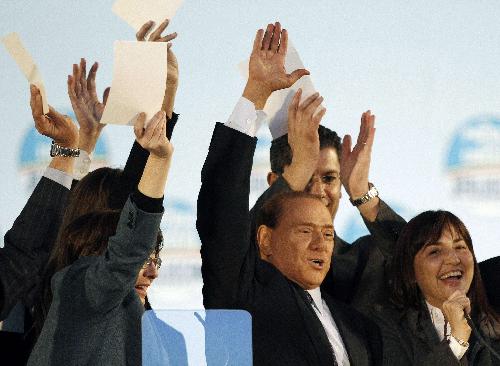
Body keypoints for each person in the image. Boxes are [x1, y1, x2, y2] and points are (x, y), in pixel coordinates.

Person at [198, 22, 382, 365]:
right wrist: (255, 93)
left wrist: (364, 196)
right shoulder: (244, 289)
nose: (317, 194)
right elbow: (222, 212)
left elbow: (424, 259)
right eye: (304, 178)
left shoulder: (359, 317)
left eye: (329, 178)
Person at [27, 108, 173, 365]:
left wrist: (166, 96)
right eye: (143, 258)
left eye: (155, 258)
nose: (153, 271)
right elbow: (129, 242)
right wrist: (159, 158)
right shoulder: (79, 286)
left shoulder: (144, 321)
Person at [372, 210, 500, 365]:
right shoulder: (390, 328)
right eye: (435, 252)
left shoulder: (493, 314)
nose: (453, 259)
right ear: (411, 272)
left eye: (460, 247)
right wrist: (456, 344)